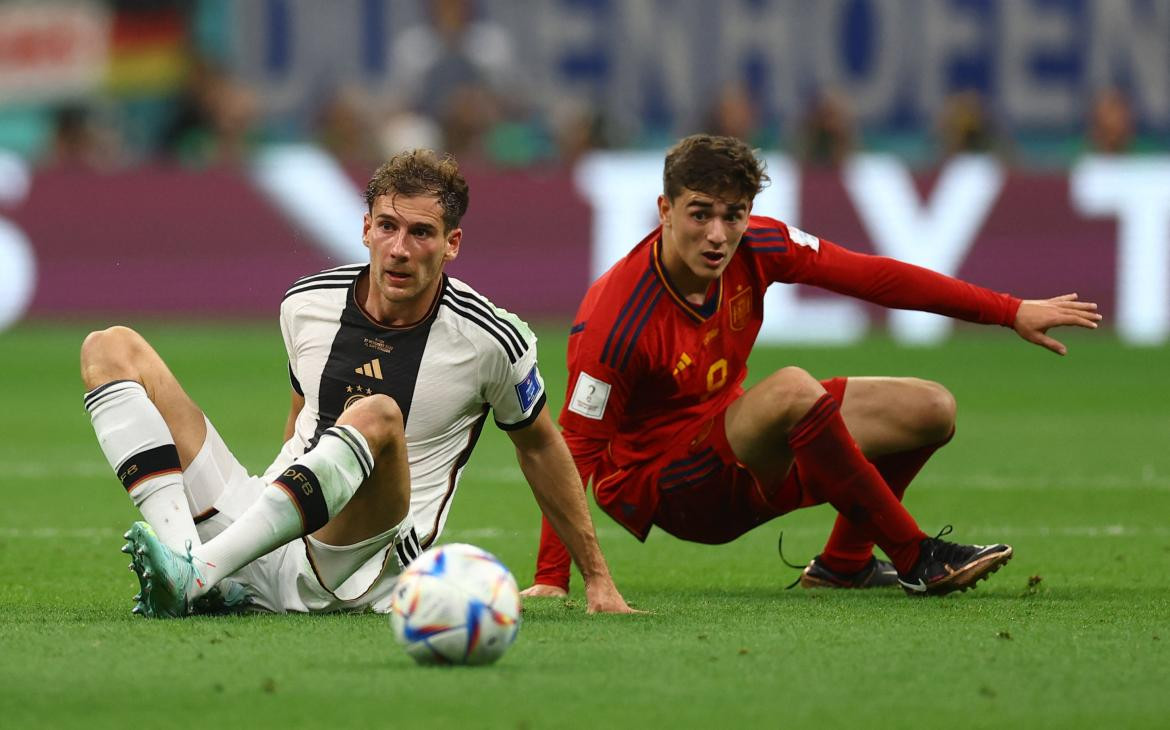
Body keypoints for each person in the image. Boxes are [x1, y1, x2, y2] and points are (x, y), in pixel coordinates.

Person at [523, 134, 1100, 598]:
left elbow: (874, 276)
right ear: (665, 210)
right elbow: (573, 450)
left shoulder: (760, 246)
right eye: (700, 215)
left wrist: (1009, 310)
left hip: (737, 446)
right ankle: (914, 555)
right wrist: (556, 577)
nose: (718, 235)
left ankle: (843, 564)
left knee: (931, 407)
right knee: (794, 387)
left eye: (734, 215)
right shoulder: (616, 320)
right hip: (668, 488)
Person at [81, 149, 633, 617]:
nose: (399, 248)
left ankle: (201, 570)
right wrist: (266, 521)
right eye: (388, 226)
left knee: (377, 414)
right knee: (109, 348)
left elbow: (540, 447)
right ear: (366, 227)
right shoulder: (306, 303)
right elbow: (300, 420)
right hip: (262, 534)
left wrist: (597, 577)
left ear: (452, 244)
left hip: (363, 562)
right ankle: (192, 568)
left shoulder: (492, 340)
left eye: (422, 233)